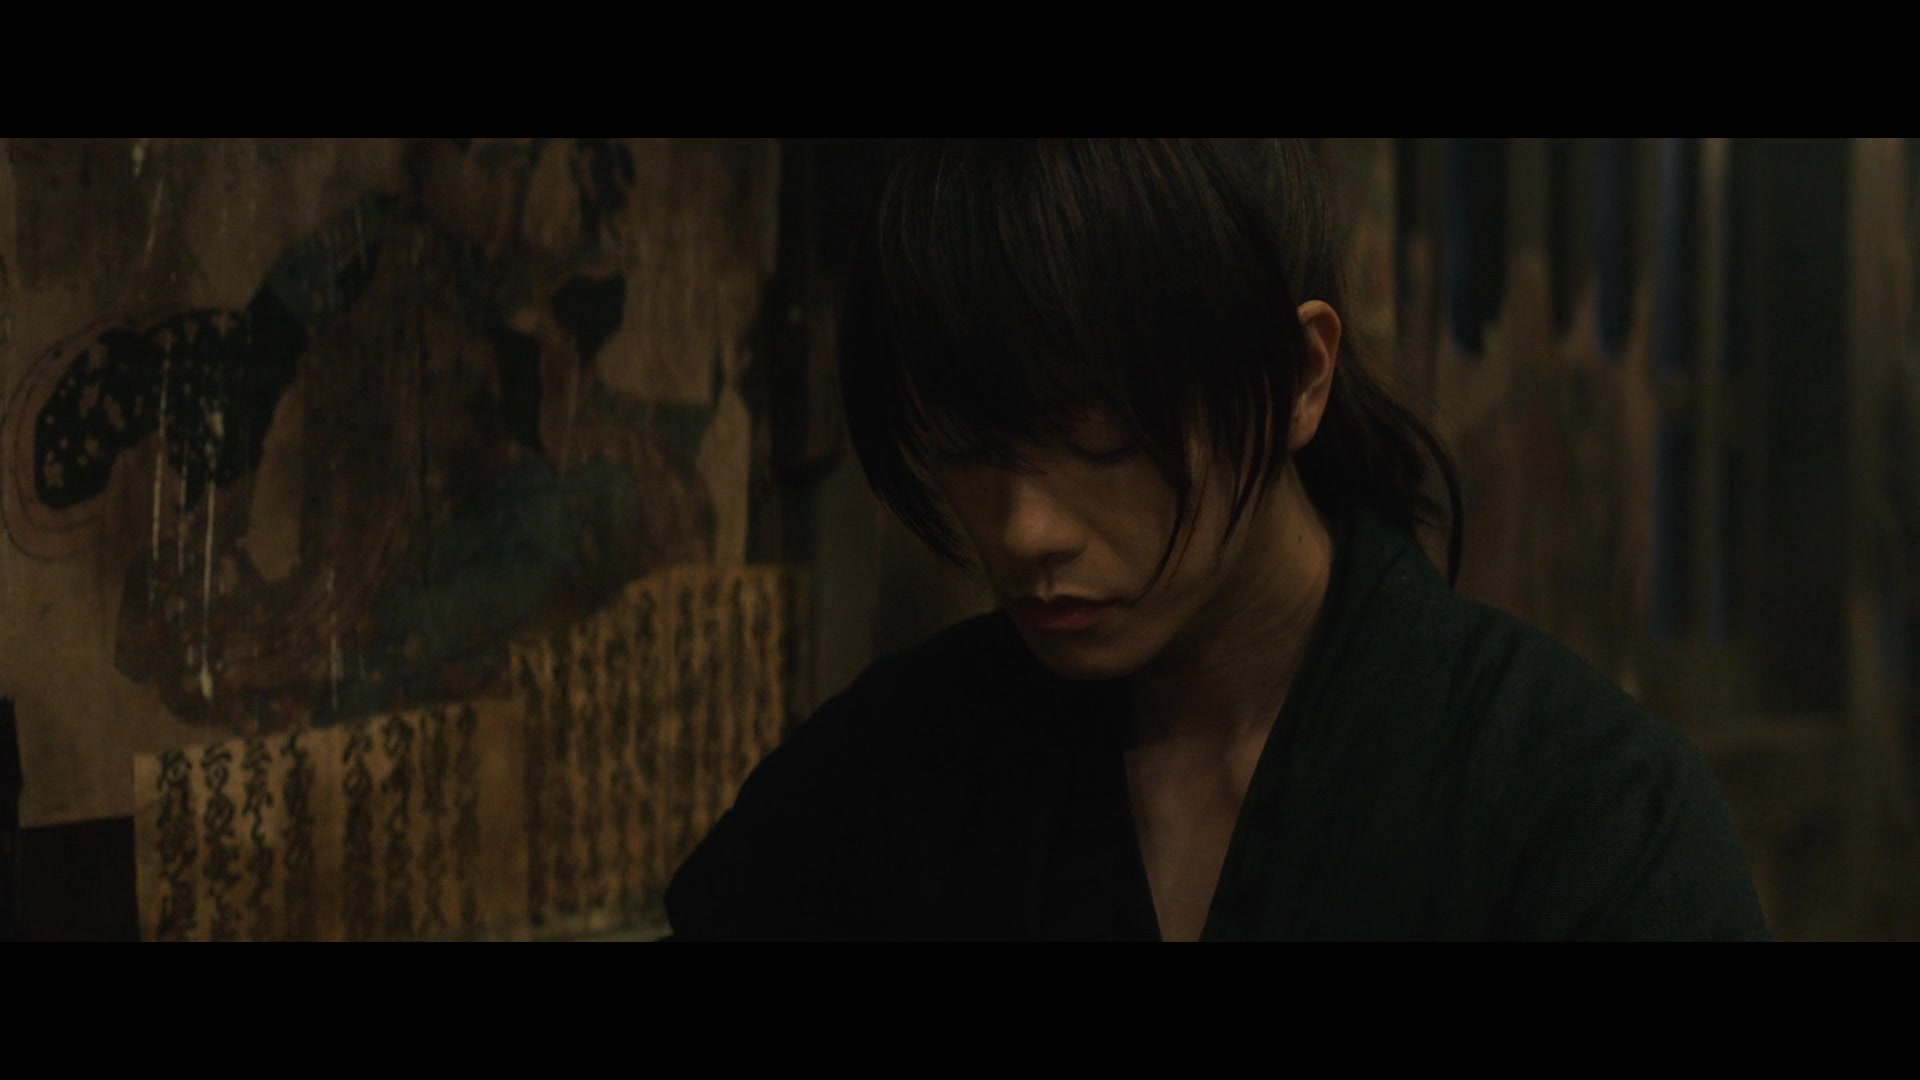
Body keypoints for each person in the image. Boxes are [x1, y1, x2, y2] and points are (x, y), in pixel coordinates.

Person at [663, 138, 1771, 941]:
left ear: (1299, 378)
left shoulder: (1582, 805)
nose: (1024, 529)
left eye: (1103, 441)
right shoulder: (891, 772)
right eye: (968, 448)